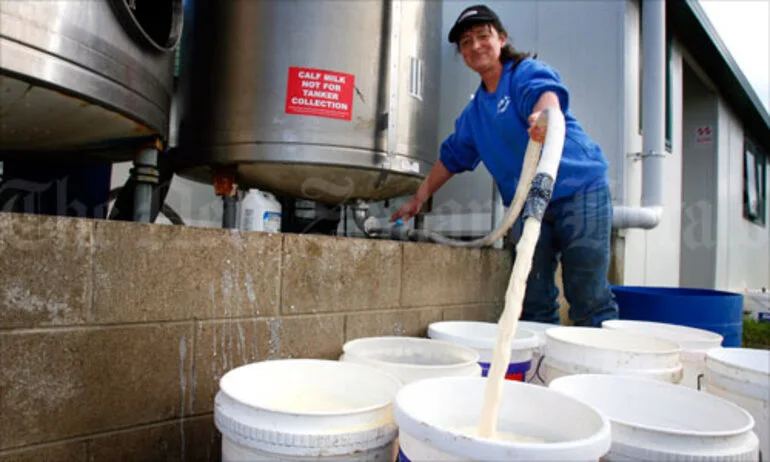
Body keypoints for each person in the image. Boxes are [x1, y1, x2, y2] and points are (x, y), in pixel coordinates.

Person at [390, 4, 619, 327]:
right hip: (526, 205)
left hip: (579, 192)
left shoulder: (524, 73)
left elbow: (547, 97)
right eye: (466, 42)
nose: (475, 46)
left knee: (588, 295)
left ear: (501, 39)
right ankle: (537, 357)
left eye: (483, 36)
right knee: (531, 297)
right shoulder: (475, 114)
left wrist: (544, 116)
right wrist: (417, 198)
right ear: (462, 54)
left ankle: (599, 357)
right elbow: (451, 158)